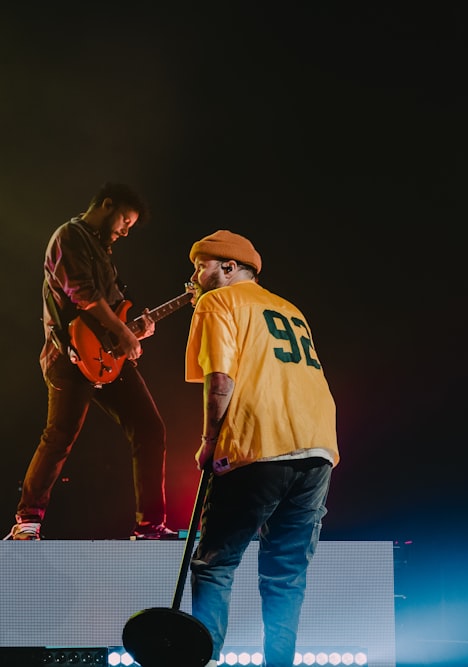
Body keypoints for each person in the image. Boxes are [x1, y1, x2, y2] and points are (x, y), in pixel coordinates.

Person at [183, 230, 339, 667]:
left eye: (202, 266)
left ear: (228, 268)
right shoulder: (289, 308)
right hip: (317, 445)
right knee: (286, 576)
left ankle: (204, 659)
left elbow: (220, 380)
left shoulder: (217, 302)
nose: (195, 276)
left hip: (260, 441)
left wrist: (209, 442)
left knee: (215, 563)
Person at [5, 182, 177, 541]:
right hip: (67, 356)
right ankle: (27, 522)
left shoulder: (103, 249)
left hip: (106, 358)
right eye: (125, 221)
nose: (126, 231)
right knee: (60, 436)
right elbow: (83, 296)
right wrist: (125, 334)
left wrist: (133, 330)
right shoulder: (68, 236)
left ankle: (150, 528)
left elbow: (111, 308)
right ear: (107, 205)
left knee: (149, 428)